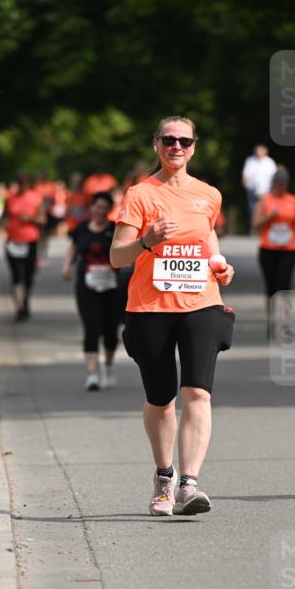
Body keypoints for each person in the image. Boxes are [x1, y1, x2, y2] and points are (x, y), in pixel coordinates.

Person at [110, 115, 235, 517]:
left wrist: (220, 264)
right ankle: (164, 475)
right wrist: (147, 241)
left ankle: (189, 484)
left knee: (197, 392)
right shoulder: (140, 195)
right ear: (156, 145)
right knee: (161, 399)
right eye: (169, 140)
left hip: (201, 302)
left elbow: (208, 236)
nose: (176, 147)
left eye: (184, 140)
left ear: (194, 146)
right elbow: (116, 256)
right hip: (150, 308)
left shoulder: (208, 195)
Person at [62, 191, 121, 391]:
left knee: (110, 331)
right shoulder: (81, 229)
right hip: (87, 286)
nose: (99, 210)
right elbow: (73, 248)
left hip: (112, 287)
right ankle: (93, 375)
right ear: (91, 207)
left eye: (104, 207)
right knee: (91, 327)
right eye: (96, 206)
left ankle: (109, 366)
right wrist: (66, 266)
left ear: (108, 210)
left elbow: (124, 252)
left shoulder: (115, 230)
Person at [252, 167, 295, 340]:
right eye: (278, 184)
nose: (281, 187)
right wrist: (269, 217)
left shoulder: (293, 200)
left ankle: (286, 324)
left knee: (285, 287)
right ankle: (270, 322)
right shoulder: (265, 200)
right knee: (271, 288)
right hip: (268, 249)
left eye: (284, 184)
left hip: (288, 250)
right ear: (273, 184)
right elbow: (255, 224)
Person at [3, 172, 42, 321]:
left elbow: (43, 219)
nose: (21, 186)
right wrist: (3, 224)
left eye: (24, 183)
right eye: (19, 183)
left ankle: (25, 301)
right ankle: (19, 307)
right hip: (13, 241)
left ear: (28, 184)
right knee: (16, 275)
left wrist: (31, 218)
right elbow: (4, 215)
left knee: (28, 275)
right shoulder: (9, 198)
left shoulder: (35, 197)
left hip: (30, 240)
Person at [241, 144, 276, 231]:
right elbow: (245, 174)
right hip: (252, 189)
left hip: (266, 189)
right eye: (257, 151)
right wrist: (245, 182)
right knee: (252, 208)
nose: (259, 153)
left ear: (265, 152)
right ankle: (254, 227)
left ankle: (263, 226)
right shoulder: (250, 160)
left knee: (264, 208)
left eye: (261, 151)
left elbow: (274, 176)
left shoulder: (269, 162)